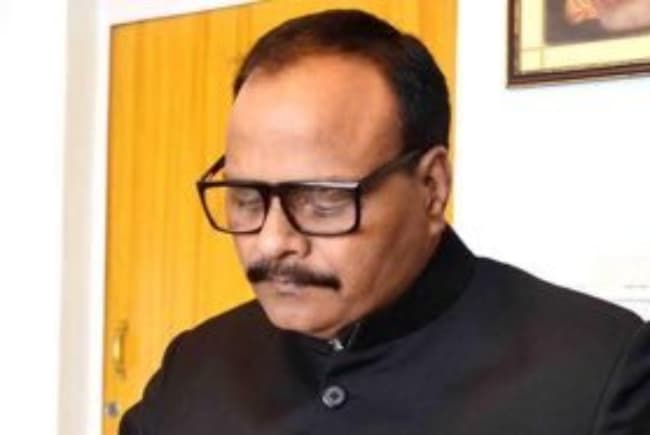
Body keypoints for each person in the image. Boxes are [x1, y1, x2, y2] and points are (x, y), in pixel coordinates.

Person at [120, 9, 650, 435]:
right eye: (246, 198)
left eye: (321, 199)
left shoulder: (600, 373)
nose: (272, 242)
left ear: (431, 187)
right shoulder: (195, 367)